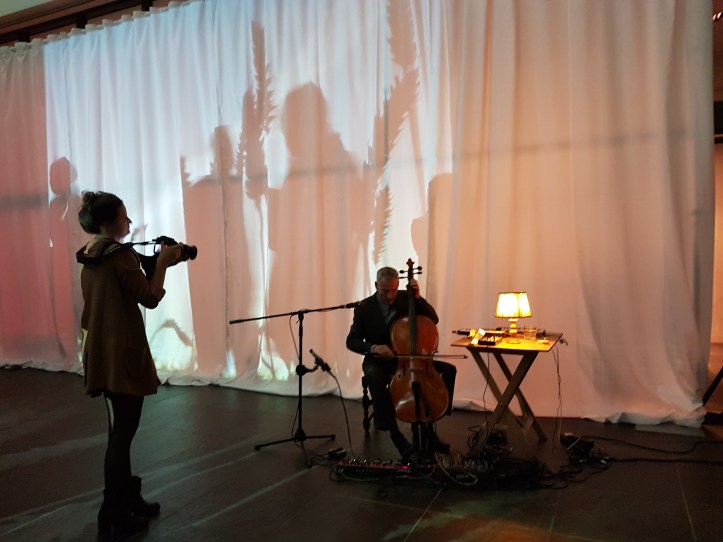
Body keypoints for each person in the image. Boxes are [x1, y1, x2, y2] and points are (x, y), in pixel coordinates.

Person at [76, 191, 185, 536]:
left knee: (119, 432)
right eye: (125, 216)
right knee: (121, 437)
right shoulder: (120, 256)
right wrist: (162, 264)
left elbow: (125, 284)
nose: (130, 221)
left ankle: (126, 499)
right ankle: (113, 514)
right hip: (122, 354)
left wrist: (155, 262)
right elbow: (150, 297)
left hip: (102, 351)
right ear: (110, 222)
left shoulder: (93, 253)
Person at [346, 266, 456, 460]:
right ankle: (396, 436)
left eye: (393, 290)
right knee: (374, 375)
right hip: (380, 361)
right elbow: (352, 341)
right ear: (376, 285)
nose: (390, 295)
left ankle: (429, 429)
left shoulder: (408, 298)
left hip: (410, 360)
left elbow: (434, 319)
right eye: (385, 291)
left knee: (448, 371)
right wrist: (373, 348)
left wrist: (418, 298)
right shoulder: (364, 307)